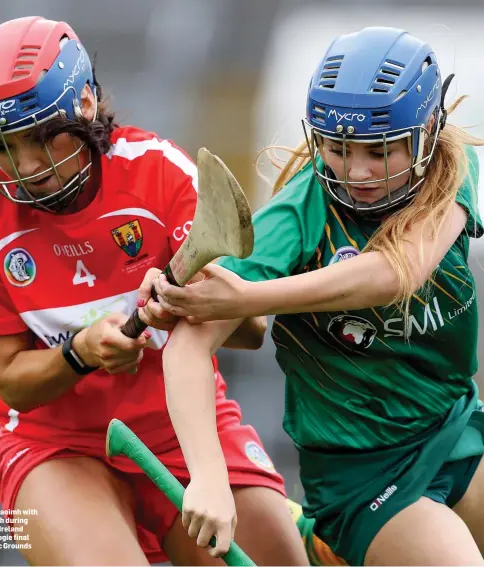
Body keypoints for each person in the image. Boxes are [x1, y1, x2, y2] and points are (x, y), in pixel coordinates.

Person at [0, 16, 310, 566]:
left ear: (86, 106)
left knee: (281, 559)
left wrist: (184, 306)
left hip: (183, 429)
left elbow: (251, 330)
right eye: (0, 145)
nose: (24, 168)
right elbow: (12, 384)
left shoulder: (161, 174)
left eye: (40, 138)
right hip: (57, 446)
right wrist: (78, 354)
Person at [151, 26, 484, 566]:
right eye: (337, 148)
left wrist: (250, 299)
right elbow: (187, 345)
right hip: (364, 474)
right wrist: (208, 479)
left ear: (426, 132)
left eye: (379, 152)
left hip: (453, 423)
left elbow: (398, 272)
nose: (356, 173)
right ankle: (335, 542)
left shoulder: (451, 168)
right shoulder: (298, 213)